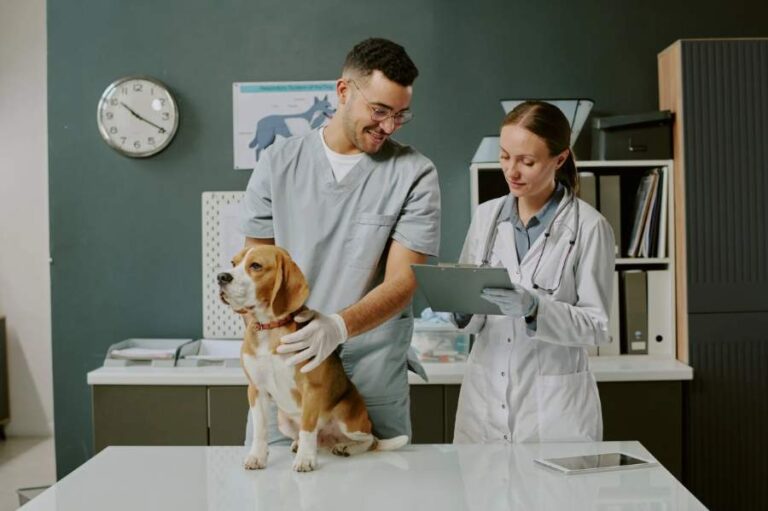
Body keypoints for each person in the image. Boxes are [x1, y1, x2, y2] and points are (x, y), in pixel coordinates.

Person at [240, 38, 441, 445]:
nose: (388, 125)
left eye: (400, 115)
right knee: (274, 494)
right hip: (287, 369)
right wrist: (266, 359)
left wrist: (337, 326)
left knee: (378, 490)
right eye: (379, 111)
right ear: (344, 91)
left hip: (371, 374)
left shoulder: (415, 174)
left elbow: (405, 281)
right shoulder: (277, 165)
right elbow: (251, 274)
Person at [453, 101, 614, 444]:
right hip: (484, 400)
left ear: (559, 159)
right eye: (504, 156)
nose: (512, 171)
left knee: (555, 497)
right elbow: (474, 316)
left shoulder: (589, 227)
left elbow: (596, 327)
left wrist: (535, 308)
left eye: (527, 161)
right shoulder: (486, 217)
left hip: (554, 412)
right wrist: (461, 305)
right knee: (481, 496)